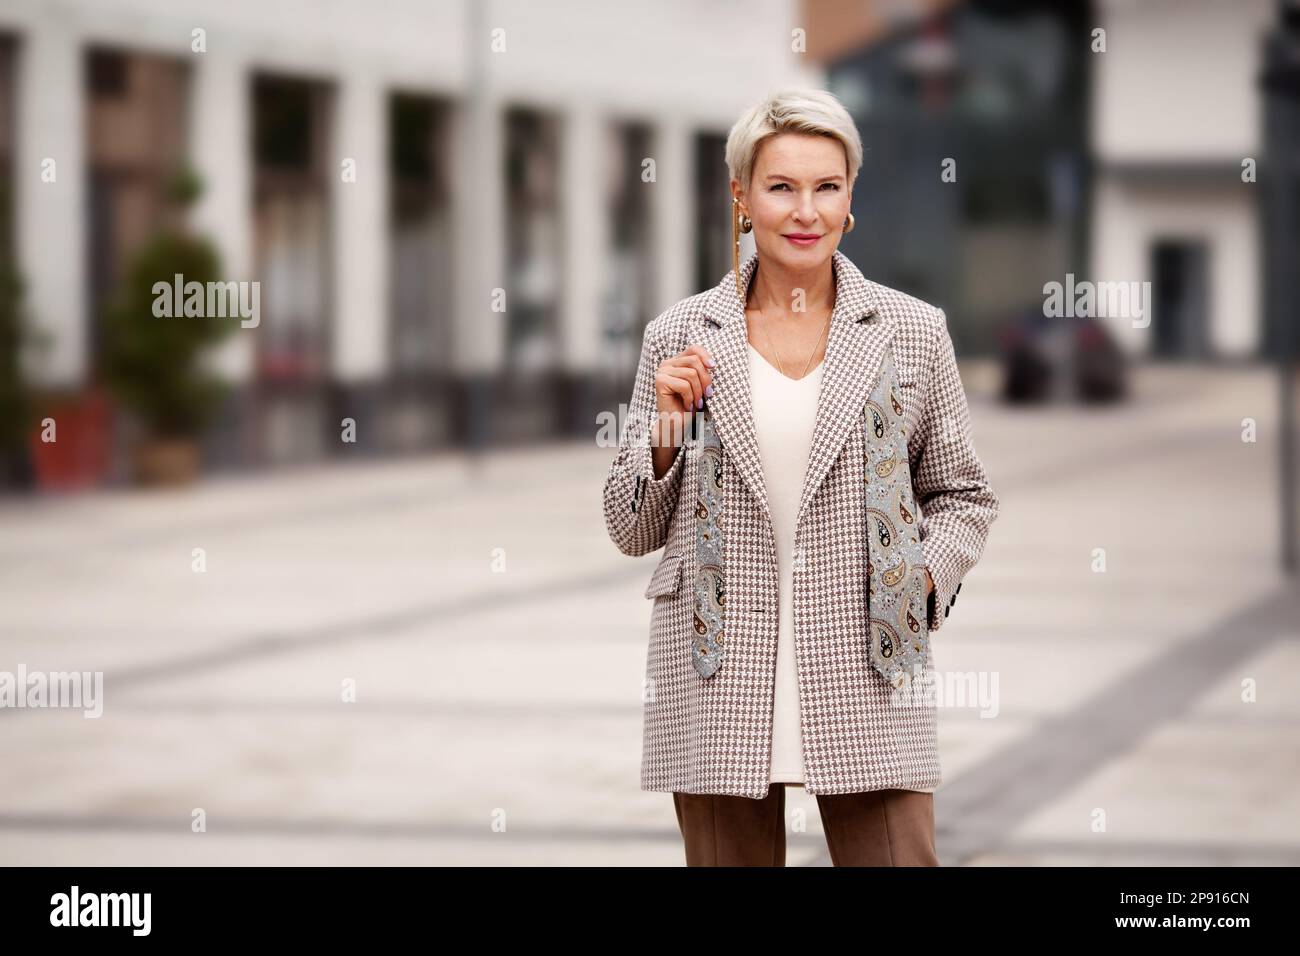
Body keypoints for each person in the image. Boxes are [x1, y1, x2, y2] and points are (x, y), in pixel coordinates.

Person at [602, 88, 999, 866]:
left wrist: (917, 579)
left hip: (870, 661)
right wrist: (664, 430)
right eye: (782, 187)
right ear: (742, 196)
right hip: (716, 669)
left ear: (851, 197)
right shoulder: (680, 334)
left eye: (827, 186)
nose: (805, 210)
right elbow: (629, 527)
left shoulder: (912, 331)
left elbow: (964, 495)